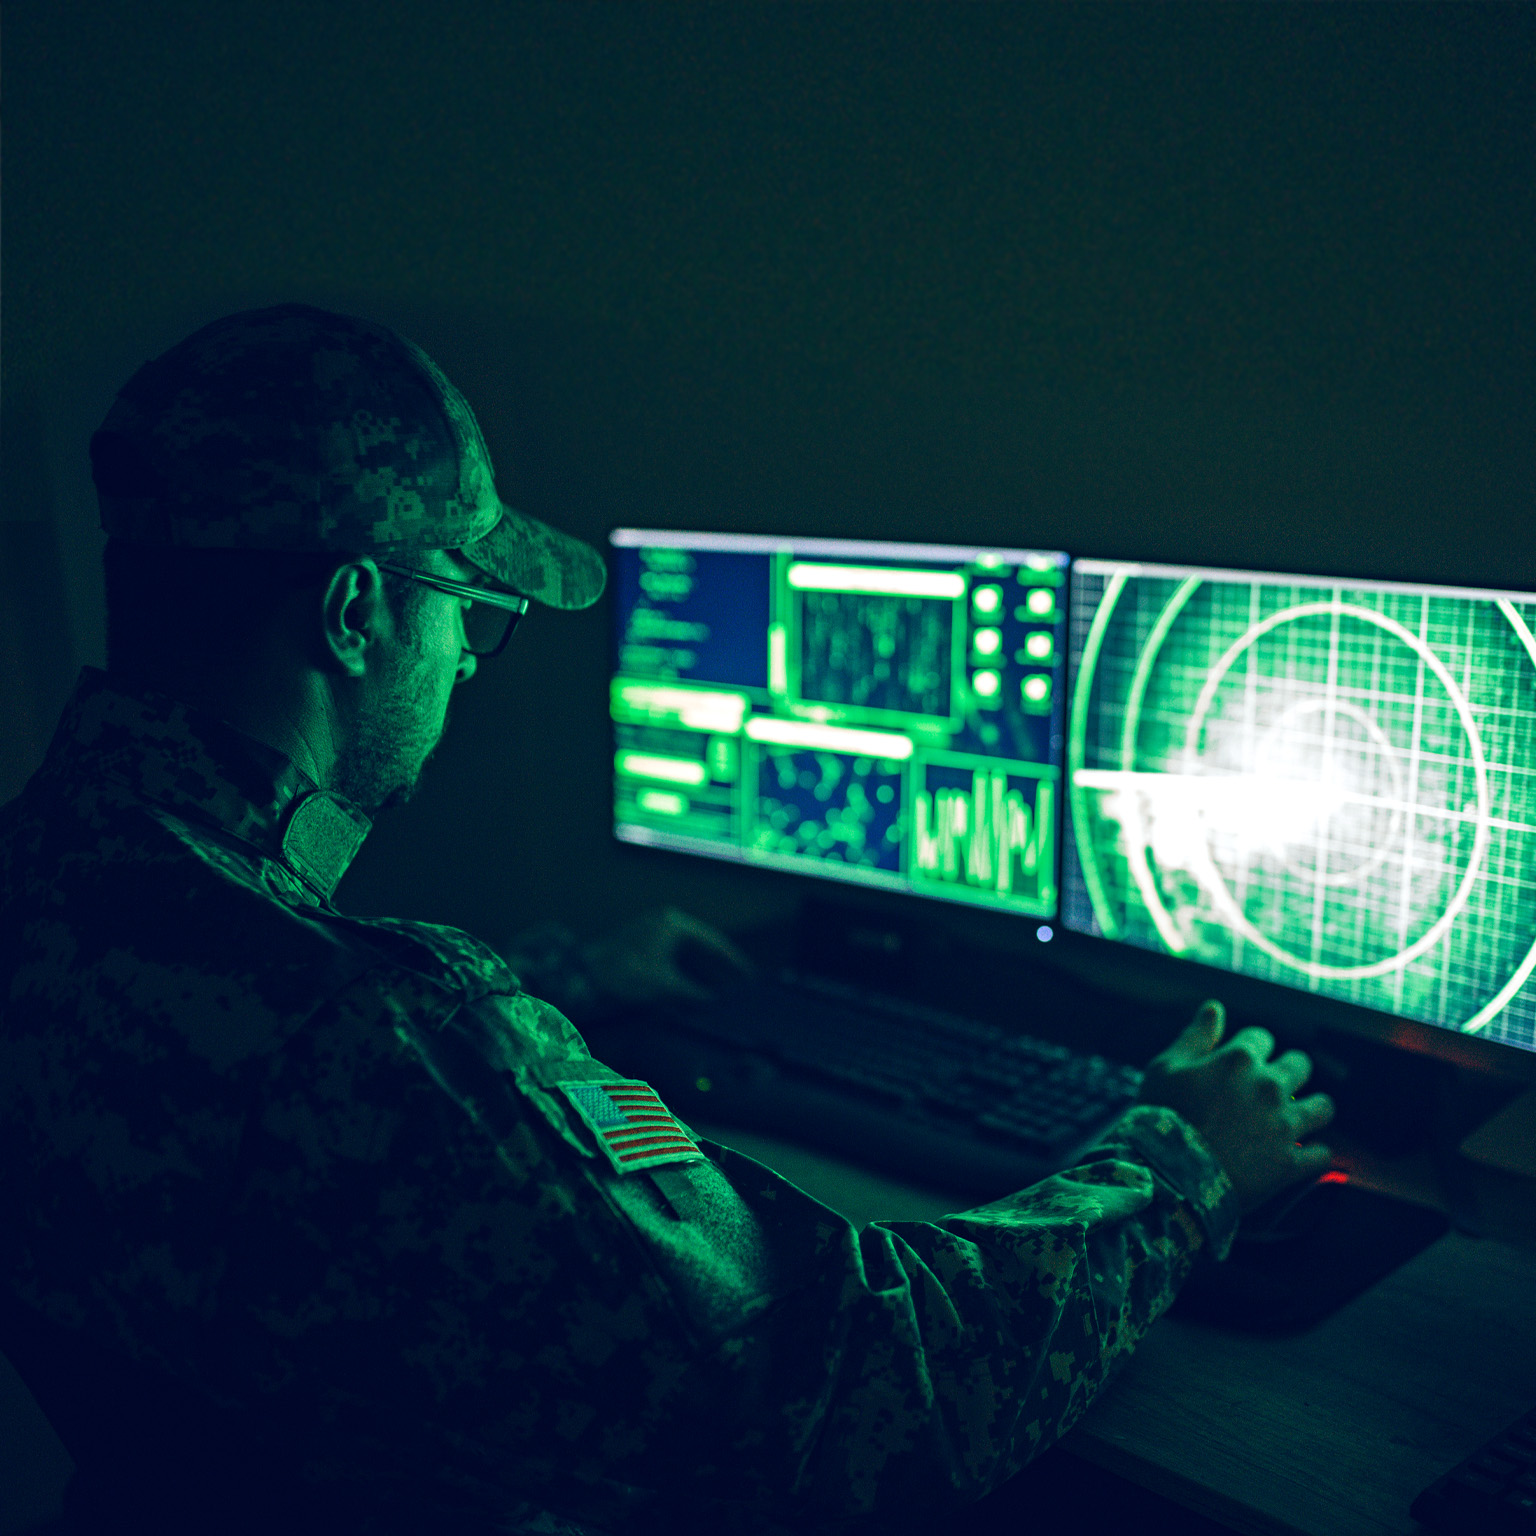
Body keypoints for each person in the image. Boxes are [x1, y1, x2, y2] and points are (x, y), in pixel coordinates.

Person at [0, 304, 1335, 1536]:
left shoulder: (46, 880)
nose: (465, 660)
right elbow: (850, 1395)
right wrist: (1183, 1165)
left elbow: (247, 1044)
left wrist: (570, 979)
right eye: (468, 609)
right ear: (356, 615)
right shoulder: (396, 1041)